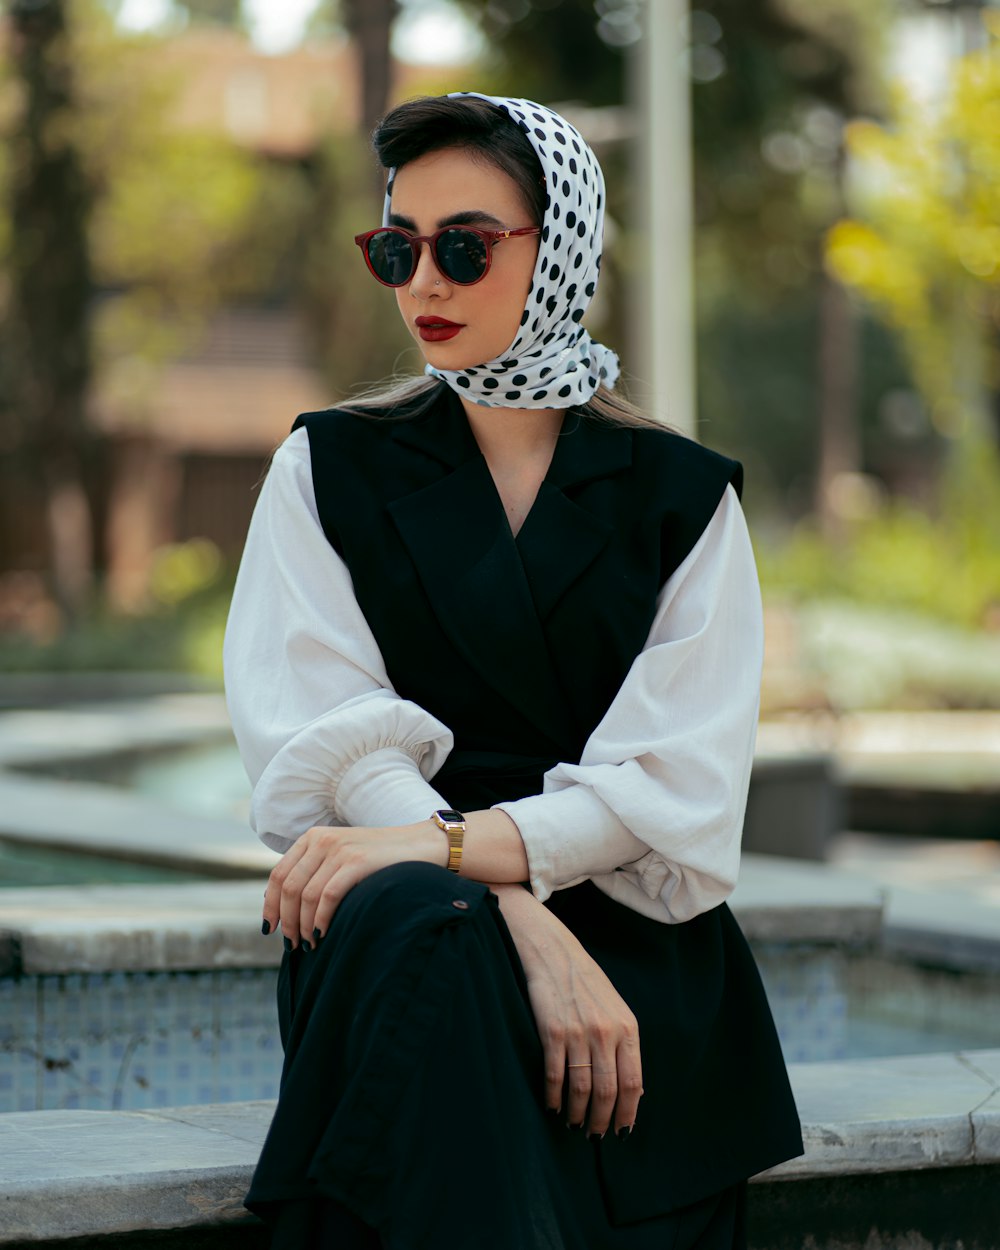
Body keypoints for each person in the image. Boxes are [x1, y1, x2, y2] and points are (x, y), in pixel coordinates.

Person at [223, 92, 803, 1250]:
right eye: (397, 246)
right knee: (418, 920)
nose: (422, 282)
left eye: (464, 246)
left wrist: (463, 865)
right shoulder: (325, 467)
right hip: (408, 917)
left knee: (415, 911)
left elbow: (671, 785)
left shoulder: (681, 497)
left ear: (563, 248)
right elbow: (330, 732)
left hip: (633, 950)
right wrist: (519, 916)